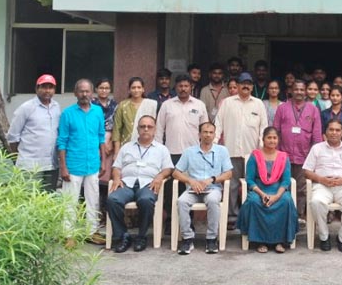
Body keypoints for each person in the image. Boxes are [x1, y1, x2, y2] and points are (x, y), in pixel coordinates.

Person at [107, 115, 173, 253]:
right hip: (127, 183)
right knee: (112, 199)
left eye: (149, 127)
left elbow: (168, 168)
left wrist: (160, 176)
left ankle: (141, 236)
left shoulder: (161, 149)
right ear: (138, 129)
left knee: (146, 200)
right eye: (142, 126)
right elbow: (116, 167)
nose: (146, 129)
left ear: (155, 130)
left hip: (148, 184)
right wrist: (117, 178)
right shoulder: (127, 147)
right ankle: (122, 236)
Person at [214, 71, 268, 225]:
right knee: (231, 186)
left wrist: (262, 151)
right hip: (230, 152)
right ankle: (231, 217)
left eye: (249, 84)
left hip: (252, 154)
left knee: (252, 185)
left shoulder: (259, 104)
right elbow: (218, 125)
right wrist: (215, 147)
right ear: (236, 86)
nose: (246, 86)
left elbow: (264, 128)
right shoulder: (227, 103)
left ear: (252, 87)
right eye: (243, 83)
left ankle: (251, 216)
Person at [57, 79, 106, 247]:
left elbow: (101, 137)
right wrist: (63, 166)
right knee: (70, 201)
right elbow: (62, 141)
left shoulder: (98, 112)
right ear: (75, 93)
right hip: (73, 165)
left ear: (92, 93)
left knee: (93, 200)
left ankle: (91, 232)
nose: (85, 94)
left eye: (87, 91)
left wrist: (103, 161)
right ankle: (68, 234)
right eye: (81, 91)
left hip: (92, 163)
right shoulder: (67, 114)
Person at [303, 119, 342, 252]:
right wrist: (321, 179)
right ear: (325, 132)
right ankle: (324, 236)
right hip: (322, 185)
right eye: (331, 129)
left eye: (337, 130)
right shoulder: (317, 148)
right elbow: (307, 171)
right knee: (316, 202)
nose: (334, 133)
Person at [173, 121, 233, 255]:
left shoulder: (222, 151)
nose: (208, 135)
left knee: (212, 200)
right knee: (182, 201)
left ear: (214, 134)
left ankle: (211, 238)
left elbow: (229, 173)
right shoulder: (189, 152)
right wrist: (190, 181)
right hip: (193, 188)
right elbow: (175, 172)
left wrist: (211, 179)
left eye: (211, 132)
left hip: (213, 188)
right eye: (205, 132)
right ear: (199, 134)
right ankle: (187, 238)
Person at [237, 126, 299, 253]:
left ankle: (280, 241)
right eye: (269, 137)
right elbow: (249, 179)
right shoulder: (255, 156)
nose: (272, 140)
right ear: (263, 139)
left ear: (278, 140)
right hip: (258, 189)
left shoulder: (283, 157)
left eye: (274, 138)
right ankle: (260, 241)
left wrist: (276, 196)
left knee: (286, 201)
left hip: (278, 190)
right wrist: (261, 194)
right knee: (254, 202)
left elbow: (286, 180)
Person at [273, 80, 323, 219]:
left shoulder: (313, 109)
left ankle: (298, 215)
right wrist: (276, 154)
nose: (299, 92)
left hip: (305, 157)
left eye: (302, 89)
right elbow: (276, 131)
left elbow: (317, 135)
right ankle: (283, 215)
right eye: (296, 89)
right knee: (283, 186)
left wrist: (315, 157)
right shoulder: (282, 108)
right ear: (291, 90)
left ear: (306, 91)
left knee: (301, 188)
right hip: (284, 156)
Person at [6, 74, 61, 192]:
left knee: (48, 199)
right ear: (37, 88)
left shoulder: (56, 107)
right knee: (28, 200)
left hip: (51, 165)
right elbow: (13, 137)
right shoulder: (26, 108)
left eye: (50, 87)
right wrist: (19, 159)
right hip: (30, 165)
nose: (47, 90)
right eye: (44, 87)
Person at [155, 74, 209, 164]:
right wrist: (159, 150)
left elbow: (205, 129)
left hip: (194, 151)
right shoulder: (166, 105)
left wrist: (204, 149)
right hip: (171, 152)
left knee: (193, 178)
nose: (183, 89)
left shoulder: (199, 105)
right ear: (175, 87)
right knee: (172, 178)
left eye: (186, 86)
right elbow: (159, 129)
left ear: (191, 87)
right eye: (180, 86)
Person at [91, 78, 117, 224]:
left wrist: (111, 142)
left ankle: (106, 213)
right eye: (101, 88)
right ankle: (94, 213)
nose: (104, 91)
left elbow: (117, 125)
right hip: (95, 142)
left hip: (110, 143)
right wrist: (101, 144)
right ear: (96, 89)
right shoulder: (91, 104)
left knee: (107, 178)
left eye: (107, 88)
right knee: (94, 179)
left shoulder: (115, 105)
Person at [111, 77, 158, 159]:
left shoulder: (151, 104)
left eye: (139, 87)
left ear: (143, 89)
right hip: (126, 146)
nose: (136, 90)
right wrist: (116, 152)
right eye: (133, 88)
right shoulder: (123, 106)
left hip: (147, 147)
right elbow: (117, 130)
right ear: (129, 90)